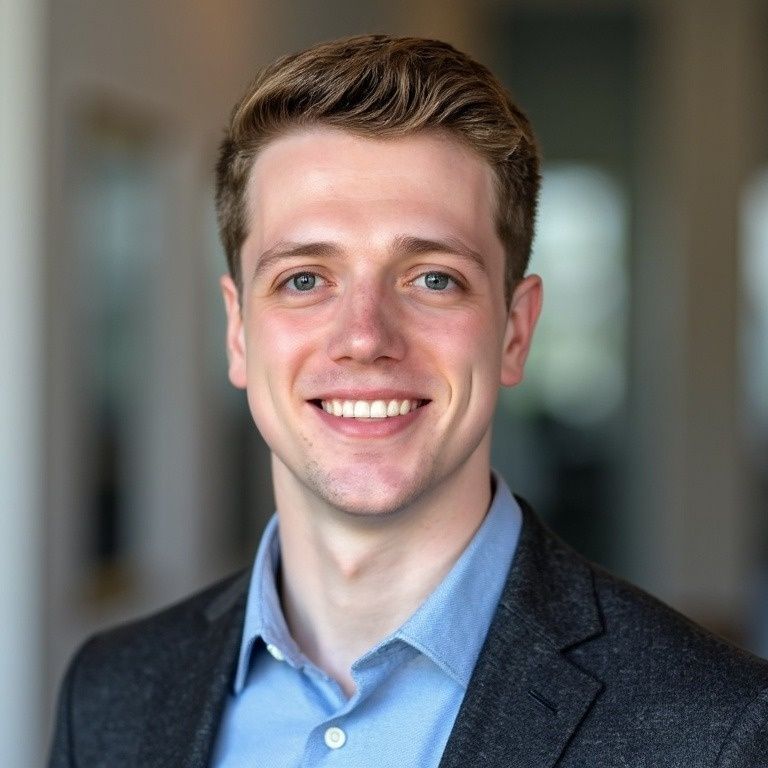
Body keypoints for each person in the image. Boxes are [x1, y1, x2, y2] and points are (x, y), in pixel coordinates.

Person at [49, 34, 768, 768]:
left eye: (432, 279)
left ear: (515, 333)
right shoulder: (107, 696)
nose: (364, 338)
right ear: (238, 332)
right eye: (304, 279)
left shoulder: (720, 732)